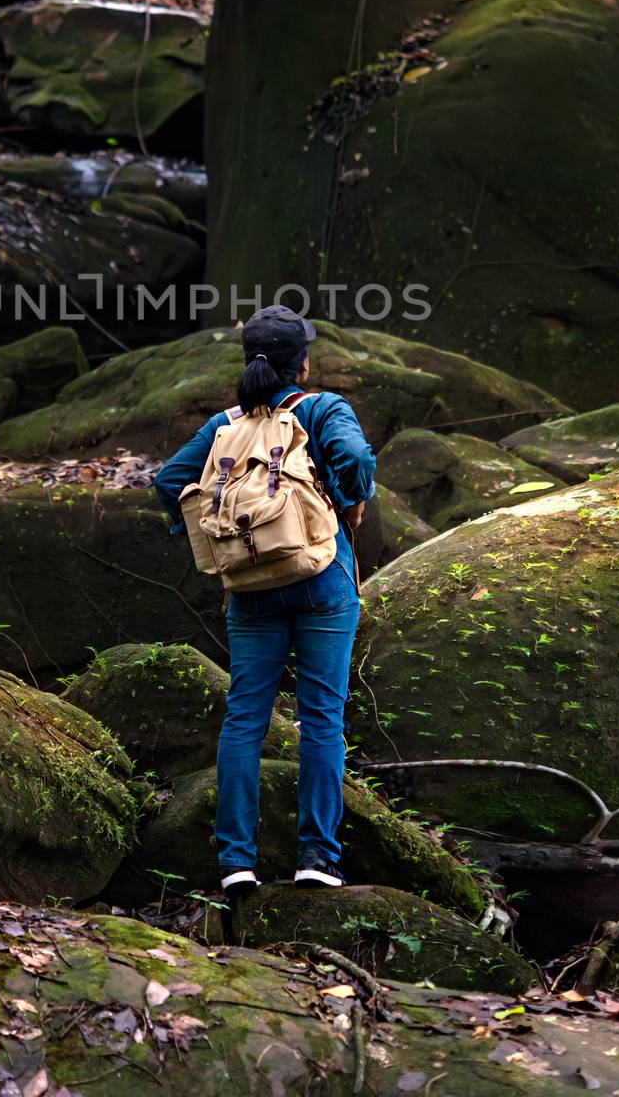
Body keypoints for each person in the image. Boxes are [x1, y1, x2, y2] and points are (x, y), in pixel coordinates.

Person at [154, 304, 375, 892]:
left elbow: (167, 481)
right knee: (321, 717)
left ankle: (236, 864)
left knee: (245, 718)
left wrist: (219, 538)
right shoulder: (323, 408)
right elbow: (353, 459)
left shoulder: (224, 425)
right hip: (323, 581)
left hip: (251, 591)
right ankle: (316, 860)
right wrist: (352, 501)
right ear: (301, 364)